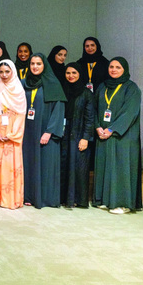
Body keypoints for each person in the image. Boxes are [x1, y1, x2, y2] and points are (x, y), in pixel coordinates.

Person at [93, 57, 142, 214]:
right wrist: (97, 126)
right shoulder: (103, 86)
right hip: (103, 133)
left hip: (123, 136)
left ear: (124, 69)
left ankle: (122, 203)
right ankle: (104, 200)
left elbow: (130, 112)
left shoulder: (131, 88)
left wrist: (112, 129)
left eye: (118, 67)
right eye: (111, 67)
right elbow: (94, 108)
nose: (113, 70)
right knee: (104, 166)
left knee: (121, 167)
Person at [21, 53, 66, 209]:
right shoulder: (23, 83)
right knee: (28, 163)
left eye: (38, 64)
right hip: (27, 131)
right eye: (32, 64)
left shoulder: (53, 83)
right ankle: (28, 196)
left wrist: (49, 131)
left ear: (44, 65)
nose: (35, 67)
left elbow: (59, 110)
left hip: (46, 132)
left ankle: (45, 199)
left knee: (45, 165)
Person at [0, 59, 26, 210]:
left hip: (12, 134)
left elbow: (21, 115)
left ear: (13, 72)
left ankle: (10, 200)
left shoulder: (19, 90)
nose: (4, 75)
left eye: (7, 72)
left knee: (10, 166)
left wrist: (12, 134)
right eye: (1, 72)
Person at [60, 62, 95, 208]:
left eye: (74, 73)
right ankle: (63, 198)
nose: (71, 76)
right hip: (64, 134)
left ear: (80, 74)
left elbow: (90, 118)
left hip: (79, 134)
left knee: (78, 168)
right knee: (64, 166)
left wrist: (85, 138)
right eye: (68, 73)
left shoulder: (86, 93)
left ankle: (78, 199)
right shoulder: (62, 90)